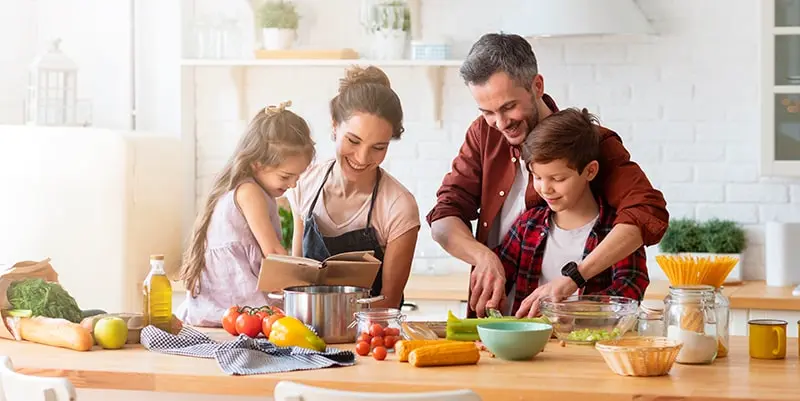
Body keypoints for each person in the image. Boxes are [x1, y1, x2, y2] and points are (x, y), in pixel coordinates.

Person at [426, 33, 668, 317]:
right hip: (501, 319)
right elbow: (443, 217)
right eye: (487, 112)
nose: (500, 123)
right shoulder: (483, 133)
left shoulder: (588, 142)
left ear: (537, 86)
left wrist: (574, 280)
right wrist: (483, 257)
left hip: (575, 327)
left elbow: (646, 212)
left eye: (508, 107)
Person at [496, 107, 649, 318]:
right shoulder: (527, 226)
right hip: (530, 346)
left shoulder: (617, 231)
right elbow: (498, 279)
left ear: (590, 171)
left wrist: (565, 309)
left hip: (590, 346)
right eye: (537, 177)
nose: (545, 189)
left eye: (558, 179)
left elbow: (630, 291)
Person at [288, 65, 420, 309]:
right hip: (306, 333)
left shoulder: (398, 206)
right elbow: (297, 281)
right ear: (335, 125)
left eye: (378, 147)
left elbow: (389, 302)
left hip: (370, 336)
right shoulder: (304, 184)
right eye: (353, 140)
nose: (362, 157)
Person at [176, 101, 315, 327]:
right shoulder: (249, 192)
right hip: (234, 304)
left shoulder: (250, 189)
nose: (292, 184)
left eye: (297, 177)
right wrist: (306, 280)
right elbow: (272, 252)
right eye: (286, 176)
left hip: (226, 305)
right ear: (257, 164)